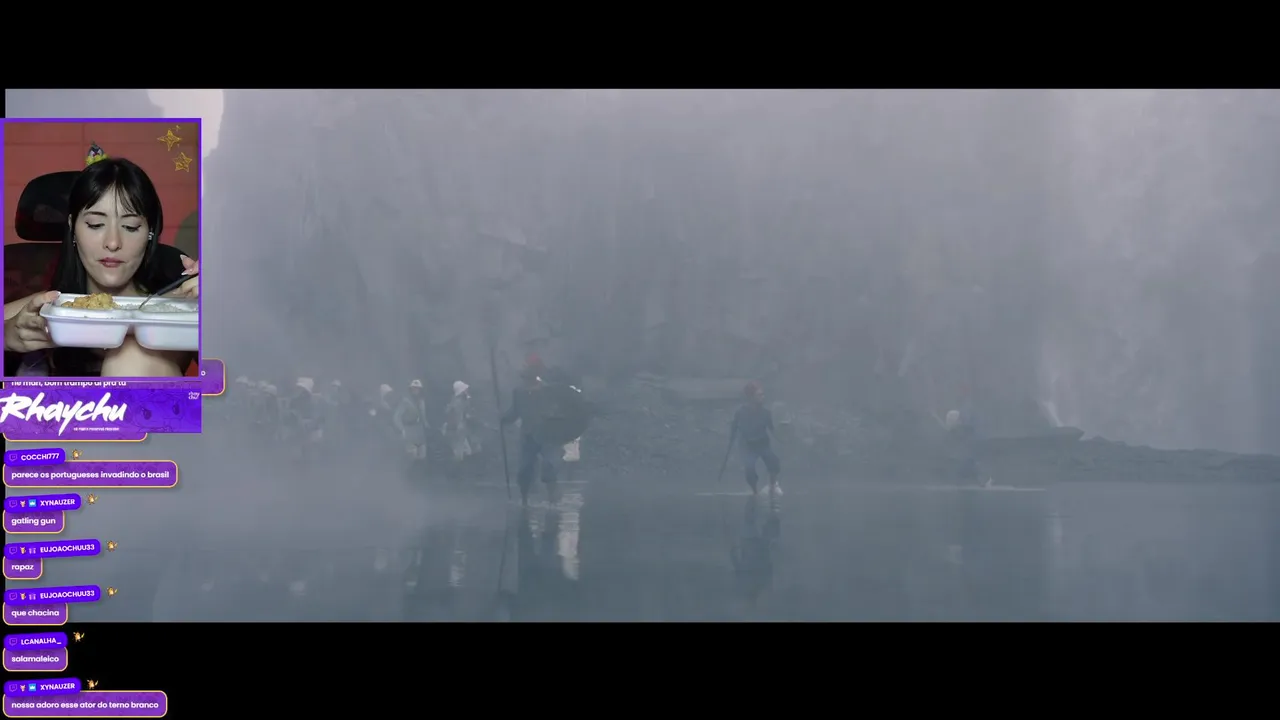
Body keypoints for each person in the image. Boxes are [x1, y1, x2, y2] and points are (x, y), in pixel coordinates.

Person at [3, 153, 199, 377]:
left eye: (131, 227)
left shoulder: (179, 309)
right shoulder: (54, 305)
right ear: (72, 227)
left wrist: (222, 304)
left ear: (150, 232)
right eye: (95, 224)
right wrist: (7, 336)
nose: (113, 243)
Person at [501, 360, 559, 505]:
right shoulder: (518, 392)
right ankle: (524, 499)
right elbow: (514, 411)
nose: (527, 380)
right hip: (528, 436)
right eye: (525, 377)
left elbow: (555, 410)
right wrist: (503, 419)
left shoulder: (547, 390)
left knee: (549, 464)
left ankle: (553, 497)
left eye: (529, 377)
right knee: (524, 468)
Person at [732, 381, 783, 496]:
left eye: (763, 394)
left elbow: (772, 429)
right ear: (751, 397)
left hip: (763, 444)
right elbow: (734, 428)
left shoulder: (765, 413)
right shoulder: (741, 413)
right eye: (759, 395)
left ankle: (772, 486)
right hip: (749, 446)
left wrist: (782, 438)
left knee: (774, 463)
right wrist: (732, 443)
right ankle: (755, 492)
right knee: (749, 470)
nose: (762, 397)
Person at [394, 379, 431, 473]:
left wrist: (426, 424)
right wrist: (402, 429)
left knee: (422, 454)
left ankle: (421, 474)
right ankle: (409, 474)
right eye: (414, 388)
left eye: (418, 389)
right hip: (409, 430)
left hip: (419, 429)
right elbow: (397, 417)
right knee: (412, 455)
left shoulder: (421, 401)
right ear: (410, 390)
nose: (416, 391)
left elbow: (423, 416)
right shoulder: (405, 402)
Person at [443, 380, 481, 464]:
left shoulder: (458, 400)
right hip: (457, 430)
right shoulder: (458, 402)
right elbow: (460, 417)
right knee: (459, 453)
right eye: (465, 389)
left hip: (459, 429)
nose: (467, 390)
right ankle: (456, 468)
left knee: (467, 451)